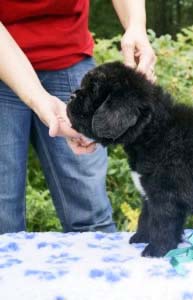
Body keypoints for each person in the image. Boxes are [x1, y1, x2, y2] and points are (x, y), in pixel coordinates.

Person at [0, 0, 156, 233]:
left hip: (68, 59)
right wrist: (39, 98)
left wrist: (136, 25)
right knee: (3, 217)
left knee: (91, 216)